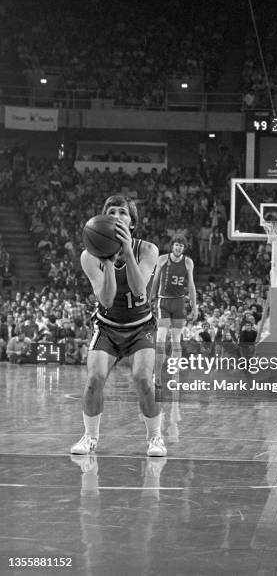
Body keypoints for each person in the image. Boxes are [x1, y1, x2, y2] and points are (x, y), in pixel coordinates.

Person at [71, 194, 166, 457]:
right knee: (94, 380)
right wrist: (110, 261)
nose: (116, 216)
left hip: (140, 326)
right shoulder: (89, 256)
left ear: (132, 223)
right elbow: (107, 298)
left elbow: (139, 292)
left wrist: (126, 252)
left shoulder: (148, 250)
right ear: (102, 219)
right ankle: (89, 437)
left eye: (122, 212)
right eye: (110, 211)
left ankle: (155, 438)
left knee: (143, 379)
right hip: (108, 326)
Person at [150, 234, 197, 386]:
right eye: (176, 245)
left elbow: (191, 286)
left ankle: (173, 375)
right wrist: (150, 297)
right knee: (160, 340)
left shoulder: (188, 262)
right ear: (172, 246)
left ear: (184, 248)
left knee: (176, 341)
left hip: (179, 303)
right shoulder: (162, 259)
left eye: (181, 246)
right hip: (163, 301)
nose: (178, 248)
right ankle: (156, 375)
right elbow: (155, 280)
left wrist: (194, 307)